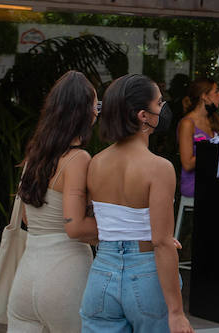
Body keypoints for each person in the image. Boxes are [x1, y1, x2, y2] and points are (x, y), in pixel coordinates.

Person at [81, 74, 191, 333]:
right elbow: (161, 241)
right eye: (159, 103)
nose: (163, 109)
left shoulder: (96, 162)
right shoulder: (159, 168)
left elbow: (100, 223)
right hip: (147, 272)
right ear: (143, 115)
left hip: (102, 272)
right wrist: (176, 313)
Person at [9, 70, 100, 333]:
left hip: (26, 275)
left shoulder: (35, 157)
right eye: (96, 105)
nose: (97, 113)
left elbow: (27, 218)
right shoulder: (78, 159)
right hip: (65, 275)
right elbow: (75, 227)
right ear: (82, 112)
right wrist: (124, 229)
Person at [177, 77, 219, 201]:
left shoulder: (213, 119)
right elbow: (187, 164)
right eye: (216, 91)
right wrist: (213, 149)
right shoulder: (187, 123)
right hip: (196, 184)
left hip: (215, 180)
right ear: (204, 96)